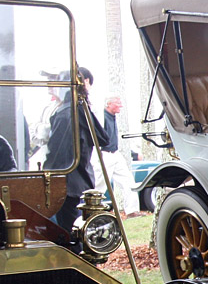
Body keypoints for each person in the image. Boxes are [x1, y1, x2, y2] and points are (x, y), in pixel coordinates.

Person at [43, 66, 110, 231]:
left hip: (66, 185)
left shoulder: (67, 114)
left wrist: (45, 179)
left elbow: (58, 156)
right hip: (80, 181)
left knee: (68, 234)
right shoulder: (79, 110)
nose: (51, 90)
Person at [95, 95, 141, 217]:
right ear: (109, 104)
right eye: (117, 102)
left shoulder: (113, 117)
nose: (120, 105)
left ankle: (132, 211)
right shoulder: (102, 117)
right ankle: (93, 211)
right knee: (100, 185)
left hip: (115, 153)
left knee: (128, 181)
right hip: (104, 154)